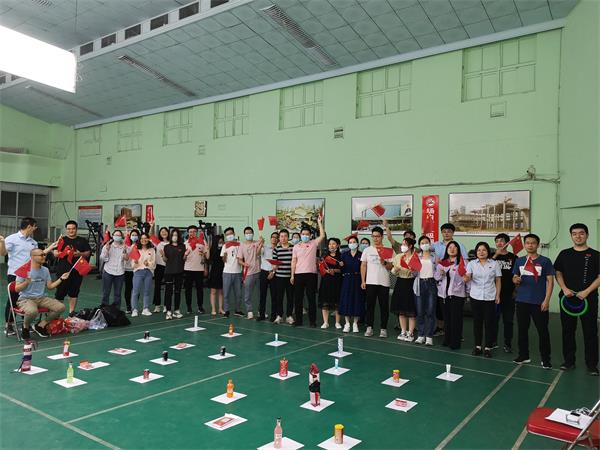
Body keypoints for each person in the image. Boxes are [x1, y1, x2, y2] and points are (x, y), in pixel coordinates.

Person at [554, 223, 600, 376]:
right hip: (568, 299)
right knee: (568, 331)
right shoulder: (564, 254)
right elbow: (558, 272)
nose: (578, 236)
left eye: (581, 233)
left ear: (587, 235)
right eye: (574, 234)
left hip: (589, 299)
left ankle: (592, 365)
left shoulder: (596, 255)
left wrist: (586, 291)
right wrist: (564, 288)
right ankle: (569, 361)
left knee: (590, 332)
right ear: (571, 236)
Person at [0, 217, 58, 336]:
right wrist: (2, 243)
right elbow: (2, 253)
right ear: (29, 226)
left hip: (30, 275)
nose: (35, 229)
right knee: (13, 299)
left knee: (29, 299)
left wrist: (50, 248)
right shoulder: (11, 239)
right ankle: (9, 325)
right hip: (15, 274)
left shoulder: (33, 242)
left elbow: (38, 255)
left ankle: (27, 323)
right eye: (34, 226)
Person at [512, 233, 554, 369]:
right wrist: (516, 279)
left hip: (539, 302)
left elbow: (550, 281)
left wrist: (546, 300)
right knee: (522, 330)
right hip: (522, 301)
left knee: (543, 331)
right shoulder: (519, 261)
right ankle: (523, 355)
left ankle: (545, 359)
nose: (530, 245)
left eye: (533, 243)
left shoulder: (545, 261)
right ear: (524, 245)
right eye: (528, 243)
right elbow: (515, 277)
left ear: (537, 244)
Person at [15, 248, 68, 339]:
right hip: (26, 299)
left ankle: (40, 325)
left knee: (61, 307)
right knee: (32, 311)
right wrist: (26, 282)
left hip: (41, 298)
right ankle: (25, 327)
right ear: (33, 257)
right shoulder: (24, 269)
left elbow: (50, 286)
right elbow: (16, 289)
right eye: (41, 255)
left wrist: (61, 279)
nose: (44, 257)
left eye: (44, 254)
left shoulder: (45, 270)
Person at [465, 242, 501, 357]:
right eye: (479, 250)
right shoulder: (471, 264)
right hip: (475, 297)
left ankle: (488, 347)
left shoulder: (494, 264)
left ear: (488, 252)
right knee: (477, 322)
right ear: (476, 252)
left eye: (484, 250)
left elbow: (498, 280)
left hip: (490, 297)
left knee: (489, 323)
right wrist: (466, 278)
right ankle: (478, 346)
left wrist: (497, 295)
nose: (481, 252)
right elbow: (468, 276)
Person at [432, 223, 468, 336]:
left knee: (455, 312)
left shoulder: (460, 246)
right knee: (441, 308)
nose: (446, 233)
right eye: (444, 231)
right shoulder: (436, 245)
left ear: (453, 233)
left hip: (456, 284)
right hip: (441, 280)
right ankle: (441, 329)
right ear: (441, 233)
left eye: (449, 231)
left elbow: (465, 264)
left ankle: (457, 334)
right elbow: (424, 248)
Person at [291, 216, 325, 327]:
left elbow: (322, 235)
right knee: (298, 299)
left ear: (310, 235)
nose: (305, 236)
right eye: (303, 234)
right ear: (300, 235)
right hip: (298, 275)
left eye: (307, 234)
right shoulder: (296, 247)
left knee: (311, 299)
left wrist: (319, 222)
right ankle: (298, 320)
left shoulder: (313, 243)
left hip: (311, 275)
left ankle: (312, 321)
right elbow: (293, 261)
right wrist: (292, 275)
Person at [53, 220, 91, 315]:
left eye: (73, 229)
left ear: (76, 229)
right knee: (60, 293)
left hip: (77, 271)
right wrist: (62, 253)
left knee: (74, 292)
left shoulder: (82, 240)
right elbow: (55, 253)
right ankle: (56, 314)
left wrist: (80, 254)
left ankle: (71, 313)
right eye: (69, 229)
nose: (71, 231)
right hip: (62, 270)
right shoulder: (62, 240)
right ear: (66, 230)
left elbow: (88, 253)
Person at [360, 226, 393, 338]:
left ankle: (383, 329)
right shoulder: (367, 250)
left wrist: (384, 263)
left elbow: (391, 267)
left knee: (384, 307)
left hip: (384, 283)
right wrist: (363, 280)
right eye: (373, 236)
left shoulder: (388, 250)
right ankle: (369, 327)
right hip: (370, 282)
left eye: (378, 236)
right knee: (370, 306)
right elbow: (363, 265)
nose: (375, 238)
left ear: (382, 237)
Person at [435, 241, 467, 350]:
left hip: (457, 295)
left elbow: (466, 278)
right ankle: (447, 339)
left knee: (456, 319)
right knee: (447, 318)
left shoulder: (462, 263)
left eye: (454, 247)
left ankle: (455, 342)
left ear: (458, 250)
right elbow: (436, 277)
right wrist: (441, 274)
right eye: (450, 247)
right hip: (443, 295)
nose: (452, 249)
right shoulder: (442, 263)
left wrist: (467, 290)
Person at [491, 233, 517, 352]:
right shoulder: (491, 256)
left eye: (502, 241)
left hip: (508, 294)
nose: (499, 243)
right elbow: (486, 267)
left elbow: (517, 275)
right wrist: (496, 254)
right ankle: (493, 341)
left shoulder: (514, 257)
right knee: (493, 319)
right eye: (497, 241)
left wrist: (515, 290)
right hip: (492, 294)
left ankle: (508, 343)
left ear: (507, 243)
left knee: (508, 320)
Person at [390, 237, 417, 341]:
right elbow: (393, 272)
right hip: (400, 282)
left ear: (410, 246)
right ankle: (403, 331)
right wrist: (395, 270)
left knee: (411, 310)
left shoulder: (415, 257)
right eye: (402, 244)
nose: (402, 246)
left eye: (405, 244)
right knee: (401, 310)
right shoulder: (398, 257)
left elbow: (417, 272)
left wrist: (413, 270)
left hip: (411, 283)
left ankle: (411, 333)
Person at [413, 236, 437, 345]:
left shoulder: (434, 256)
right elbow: (414, 274)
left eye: (426, 242)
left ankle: (429, 336)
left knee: (431, 311)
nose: (425, 244)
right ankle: (421, 335)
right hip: (419, 283)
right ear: (419, 245)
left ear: (430, 244)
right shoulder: (417, 256)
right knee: (420, 311)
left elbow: (438, 269)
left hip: (431, 283)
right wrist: (412, 269)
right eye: (422, 243)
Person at [339, 235, 364, 333]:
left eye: (354, 242)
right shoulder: (344, 255)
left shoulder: (361, 255)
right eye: (350, 242)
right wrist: (341, 266)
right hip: (347, 279)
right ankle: (347, 323)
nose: (352, 244)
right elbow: (341, 269)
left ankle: (355, 323)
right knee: (346, 300)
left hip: (358, 279)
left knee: (357, 300)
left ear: (357, 244)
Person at [237, 226, 264, 319]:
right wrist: (244, 264)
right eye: (247, 233)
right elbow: (239, 260)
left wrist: (261, 243)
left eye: (250, 233)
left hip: (258, 272)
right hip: (248, 273)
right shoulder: (241, 245)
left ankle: (261, 311)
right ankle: (249, 311)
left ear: (253, 234)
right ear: (244, 235)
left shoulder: (257, 243)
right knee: (247, 294)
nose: (249, 234)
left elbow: (258, 253)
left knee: (260, 294)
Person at [184, 225, 209, 315]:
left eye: (194, 231)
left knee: (200, 289)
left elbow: (206, 257)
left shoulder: (202, 242)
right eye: (190, 232)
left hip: (199, 269)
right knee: (188, 290)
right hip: (188, 269)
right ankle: (189, 307)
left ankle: (200, 307)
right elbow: (183, 258)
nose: (192, 233)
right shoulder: (185, 243)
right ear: (188, 233)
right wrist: (185, 254)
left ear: (197, 232)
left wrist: (205, 268)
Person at [130, 233, 156, 317]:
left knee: (147, 291)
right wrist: (135, 262)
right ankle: (134, 309)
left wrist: (148, 264)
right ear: (139, 239)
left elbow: (154, 263)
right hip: (138, 272)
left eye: (145, 238)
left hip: (148, 272)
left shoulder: (152, 250)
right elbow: (132, 265)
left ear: (148, 239)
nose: (143, 240)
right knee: (135, 291)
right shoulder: (136, 248)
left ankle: (145, 309)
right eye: (142, 238)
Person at [318, 238, 343, 329]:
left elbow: (343, 270)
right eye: (329, 244)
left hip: (337, 281)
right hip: (326, 281)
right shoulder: (324, 256)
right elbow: (320, 268)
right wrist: (326, 271)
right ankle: (325, 322)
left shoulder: (341, 256)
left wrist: (335, 270)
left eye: (333, 244)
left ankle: (337, 322)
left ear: (338, 245)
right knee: (325, 302)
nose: (331, 246)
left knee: (337, 303)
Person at [162, 228, 185, 320]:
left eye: (176, 235)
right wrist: (163, 255)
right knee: (168, 292)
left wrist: (186, 255)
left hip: (179, 272)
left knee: (177, 291)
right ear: (171, 236)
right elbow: (165, 260)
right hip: (169, 272)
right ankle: (168, 311)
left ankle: (176, 310)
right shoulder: (166, 247)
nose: (175, 237)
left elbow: (184, 259)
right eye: (173, 235)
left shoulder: (182, 246)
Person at [272, 229, 294, 324]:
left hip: (290, 277)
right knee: (279, 297)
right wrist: (274, 266)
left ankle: (289, 316)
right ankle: (279, 316)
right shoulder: (276, 249)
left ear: (288, 237)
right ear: (279, 238)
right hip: (279, 277)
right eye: (281, 236)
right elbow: (274, 262)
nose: (283, 238)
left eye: (285, 236)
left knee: (290, 297)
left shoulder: (293, 248)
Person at [220, 227, 243, 317]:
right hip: (227, 272)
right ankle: (226, 311)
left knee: (238, 293)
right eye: (227, 235)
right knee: (226, 293)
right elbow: (223, 260)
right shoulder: (225, 246)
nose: (229, 236)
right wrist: (225, 256)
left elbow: (242, 256)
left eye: (231, 234)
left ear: (234, 234)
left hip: (238, 272)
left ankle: (238, 310)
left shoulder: (239, 244)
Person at [100, 230, 126, 307]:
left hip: (120, 272)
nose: (117, 237)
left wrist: (125, 255)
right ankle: (104, 308)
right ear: (113, 236)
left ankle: (116, 309)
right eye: (115, 235)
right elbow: (102, 258)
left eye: (119, 235)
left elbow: (127, 259)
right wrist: (107, 250)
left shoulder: (125, 247)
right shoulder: (107, 246)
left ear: (121, 237)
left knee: (118, 293)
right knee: (106, 292)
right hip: (108, 271)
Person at [258, 232, 279, 321]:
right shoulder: (265, 247)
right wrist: (260, 243)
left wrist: (273, 272)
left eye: (276, 237)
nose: (274, 238)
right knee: (262, 295)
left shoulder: (279, 249)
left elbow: (279, 263)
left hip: (274, 273)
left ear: (278, 240)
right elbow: (257, 253)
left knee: (274, 295)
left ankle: (273, 315)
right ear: (270, 238)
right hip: (264, 272)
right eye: (272, 237)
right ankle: (261, 314)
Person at [152, 226, 170, 313]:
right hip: (159, 267)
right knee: (157, 286)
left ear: (168, 233)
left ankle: (166, 306)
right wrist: (152, 226)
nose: (164, 233)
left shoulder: (171, 243)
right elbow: (150, 235)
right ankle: (157, 305)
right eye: (162, 231)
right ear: (160, 233)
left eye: (165, 231)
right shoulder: (157, 242)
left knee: (167, 287)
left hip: (169, 267)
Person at [123, 229, 140, 314]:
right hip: (128, 270)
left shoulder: (140, 246)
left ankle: (135, 306)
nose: (134, 236)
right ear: (129, 236)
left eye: (135, 235)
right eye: (132, 235)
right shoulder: (126, 245)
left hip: (136, 270)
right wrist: (125, 251)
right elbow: (125, 258)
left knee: (136, 289)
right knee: (128, 289)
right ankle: (128, 307)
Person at [207, 235, 225, 315]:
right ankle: (213, 308)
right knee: (213, 291)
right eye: (219, 242)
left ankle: (220, 308)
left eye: (221, 241)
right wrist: (208, 249)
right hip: (214, 271)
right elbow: (208, 258)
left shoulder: (224, 249)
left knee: (221, 291)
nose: (220, 243)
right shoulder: (212, 249)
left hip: (223, 270)